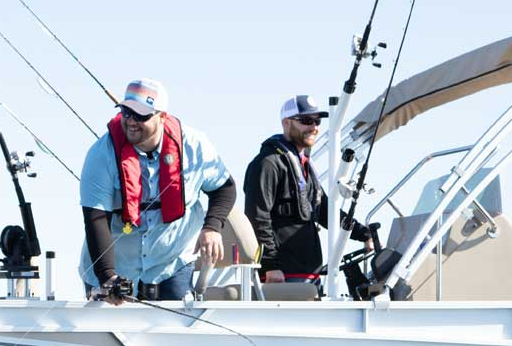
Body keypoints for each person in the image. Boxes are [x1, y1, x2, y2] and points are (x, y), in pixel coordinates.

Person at [79, 79, 237, 304]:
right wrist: (107, 277)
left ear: (162, 116)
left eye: (141, 115)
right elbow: (95, 219)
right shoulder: (100, 154)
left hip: (171, 263)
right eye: (126, 112)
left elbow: (224, 188)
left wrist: (212, 227)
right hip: (115, 266)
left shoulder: (195, 145)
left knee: (177, 324)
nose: (131, 121)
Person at [243, 95, 372, 284]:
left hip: (309, 275)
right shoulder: (267, 163)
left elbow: (326, 211)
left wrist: (364, 234)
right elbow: (257, 217)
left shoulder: (304, 166)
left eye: (317, 121)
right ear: (286, 122)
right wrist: (270, 265)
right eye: (306, 121)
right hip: (281, 275)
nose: (314, 127)